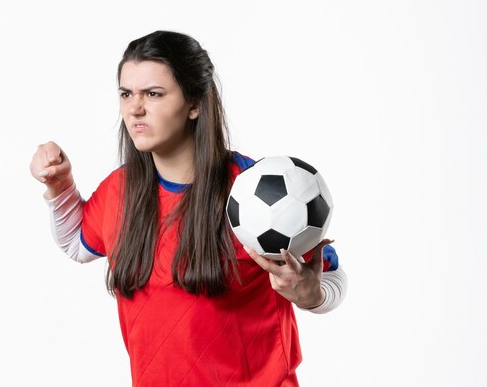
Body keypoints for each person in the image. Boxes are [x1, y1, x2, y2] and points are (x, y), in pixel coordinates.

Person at [30, 30, 347, 387]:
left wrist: (311, 295)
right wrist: (60, 187)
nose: (135, 107)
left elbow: (329, 277)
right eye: (126, 94)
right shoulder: (121, 189)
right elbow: (77, 243)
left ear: (195, 103)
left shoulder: (257, 195)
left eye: (153, 94)